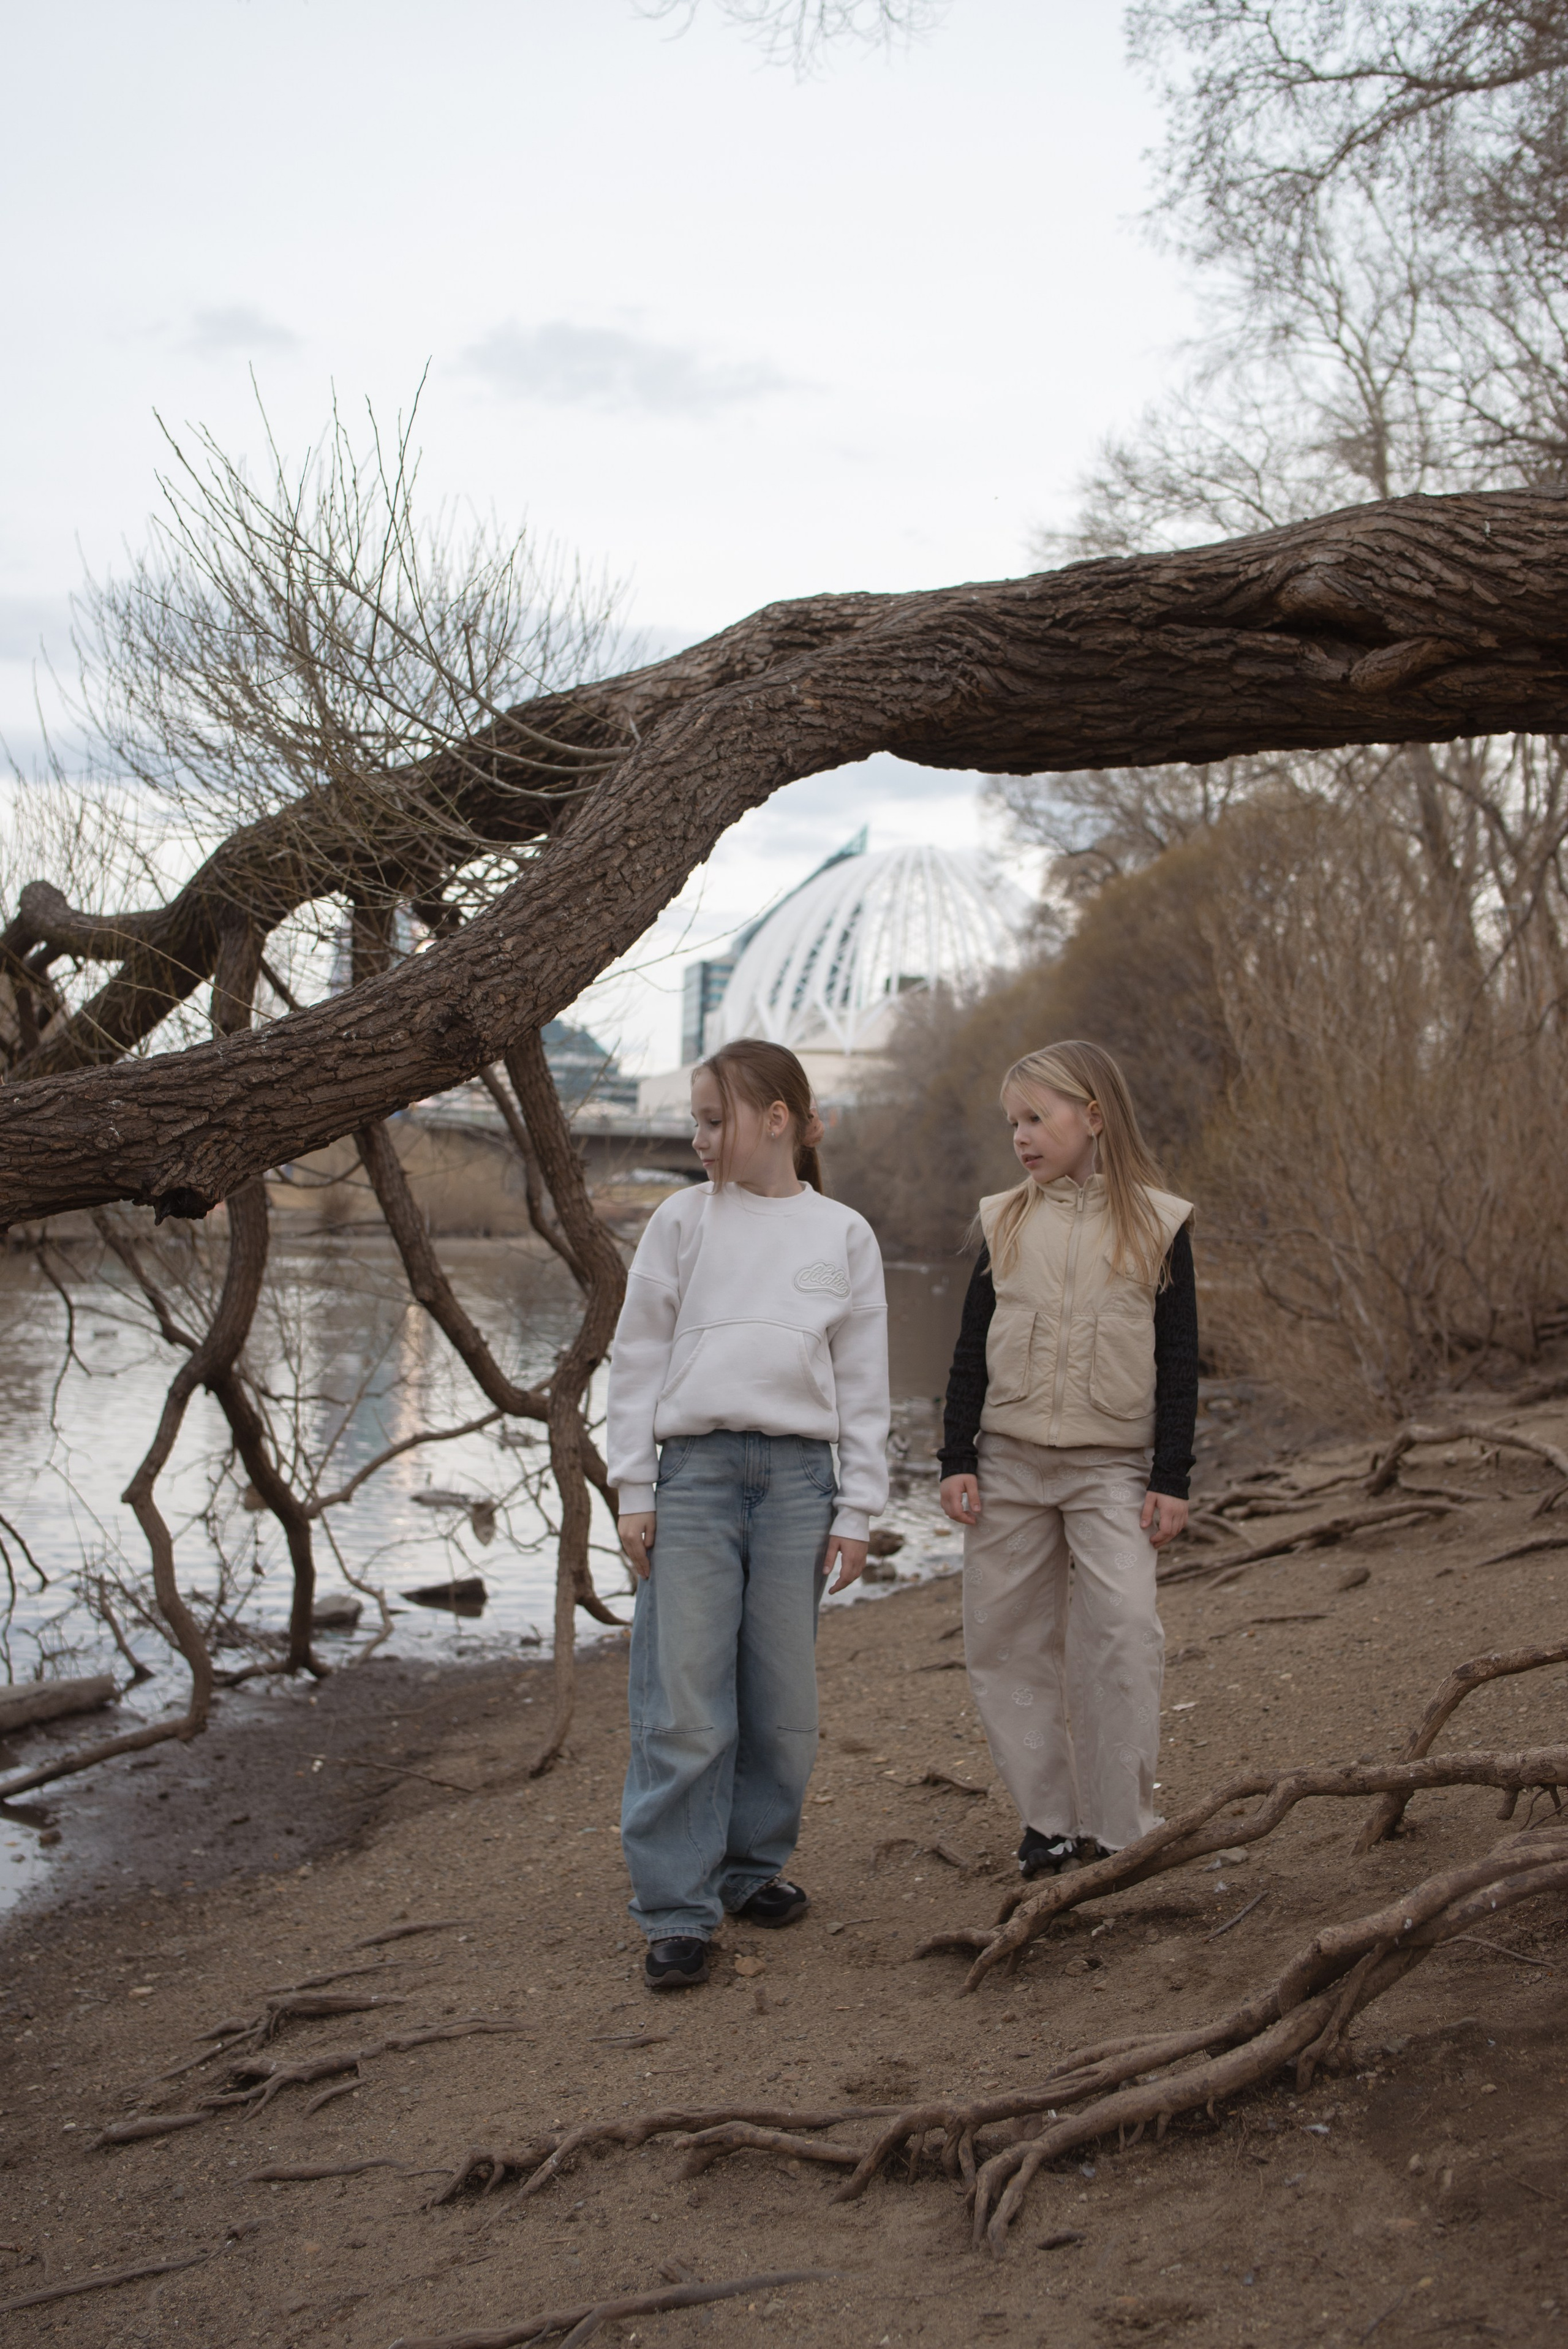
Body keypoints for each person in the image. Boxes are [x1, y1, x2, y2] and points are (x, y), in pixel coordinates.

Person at [607, 1037, 889, 1991]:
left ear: (778, 1122)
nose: (698, 1136)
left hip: (800, 1486)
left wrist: (859, 1509)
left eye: (715, 1119)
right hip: (693, 1478)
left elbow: (863, 1382)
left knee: (780, 1701)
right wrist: (632, 1489)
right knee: (683, 1699)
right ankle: (677, 1908)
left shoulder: (843, 1235)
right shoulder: (680, 1223)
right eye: (695, 1118)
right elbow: (637, 1358)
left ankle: (749, 1868)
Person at [937, 1040, 1197, 1879]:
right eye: (1012, 1121)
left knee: (1123, 1633)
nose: (1021, 1136)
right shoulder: (1004, 1219)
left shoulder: (1159, 1224)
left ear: (1092, 1116)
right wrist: (955, 1457)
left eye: (1036, 1117)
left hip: (1111, 1472)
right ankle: (1049, 1822)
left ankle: (1121, 1828)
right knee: (1007, 1642)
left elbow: (1181, 1359)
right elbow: (971, 1349)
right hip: (1007, 1466)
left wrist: (1171, 1477)